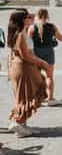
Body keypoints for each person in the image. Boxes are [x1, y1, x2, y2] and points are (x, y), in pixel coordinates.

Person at [7, 9, 50, 137]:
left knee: (27, 93)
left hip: (25, 66)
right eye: (28, 16)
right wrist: (42, 63)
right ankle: (18, 123)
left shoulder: (22, 32)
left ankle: (22, 125)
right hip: (24, 67)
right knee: (25, 95)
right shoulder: (20, 34)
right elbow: (25, 55)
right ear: (22, 19)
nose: (31, 18)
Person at [29, 8, 62, 107]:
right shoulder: (52, 26)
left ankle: (36, 98)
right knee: (49, 76)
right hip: (48, 52)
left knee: (36, 76)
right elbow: (61, 38)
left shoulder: (32, 28)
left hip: (36, 53)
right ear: (47, 16)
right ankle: (50, 98)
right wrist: (53, 36)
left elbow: (28, 42)